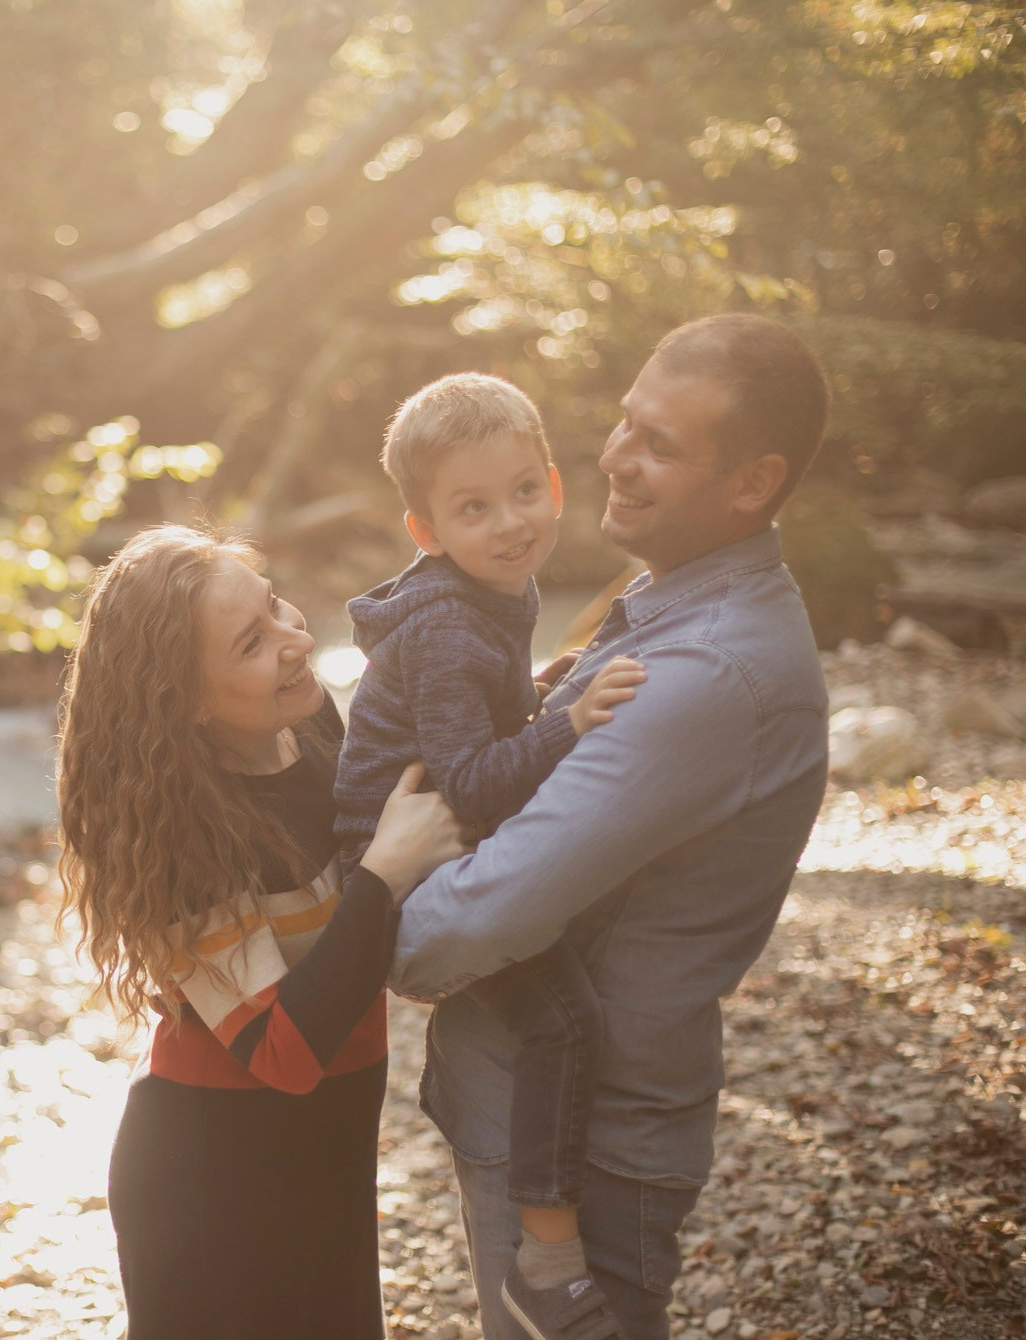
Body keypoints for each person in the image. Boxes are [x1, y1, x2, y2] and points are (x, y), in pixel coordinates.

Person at [388, 313, 833, 1340]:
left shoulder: (704, 673)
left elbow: (476, 917)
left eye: (660, 445)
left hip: (583, 1146)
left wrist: (345, 922)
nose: (615, 458)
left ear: (752, 482)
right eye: (626, 423)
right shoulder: (663, 598)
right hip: (538, 1110)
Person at [56, 524, 463, 1340]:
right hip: (215, 1182)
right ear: (185, 702)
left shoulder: (310, 726)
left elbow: (423, 806)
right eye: (251, 642)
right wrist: (383, 872)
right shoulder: (176, 838)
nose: (294, 638)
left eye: (275, 605)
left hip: (328, 1149)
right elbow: (283, 1052)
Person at [333, 373, 648, 1340]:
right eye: (472, 509)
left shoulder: (497, 589)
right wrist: (570, 724)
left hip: (443, 829)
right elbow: (468, 780)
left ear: (553, 484)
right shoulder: (440, 628)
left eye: (522, 492)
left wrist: (542, 690)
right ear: (425, 532)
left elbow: (479, 714)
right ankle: (544, 1264)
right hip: (399, 859)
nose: (509, 523)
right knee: (562, 1023)